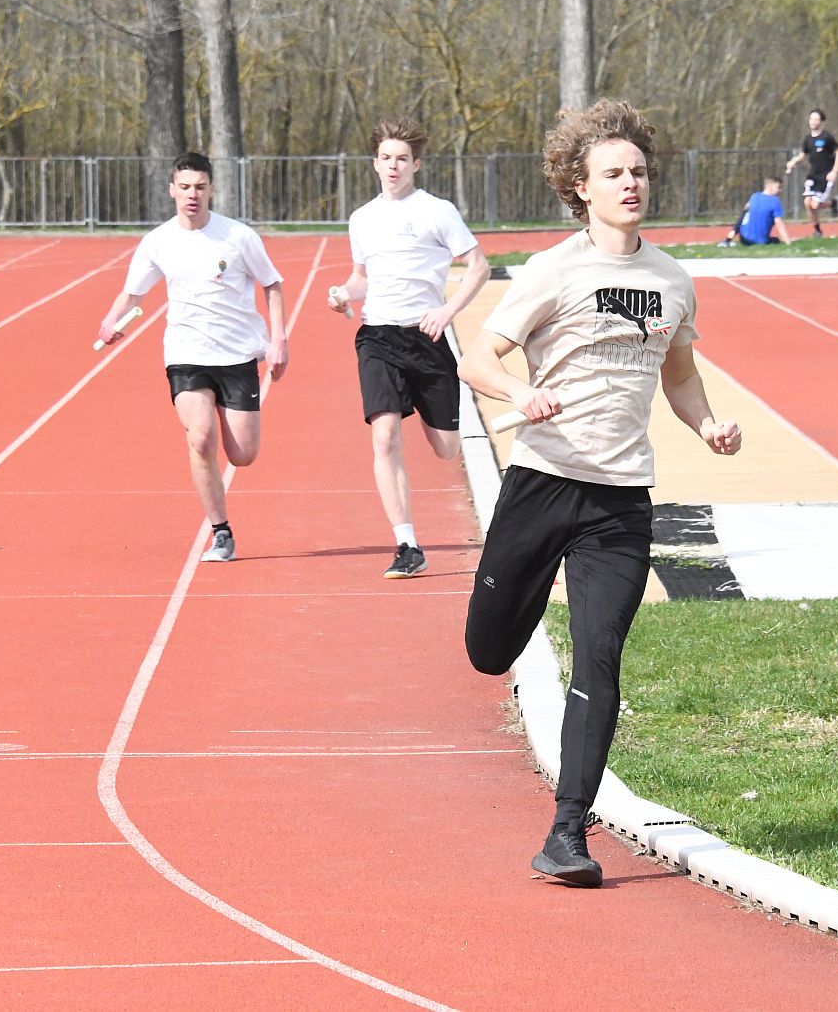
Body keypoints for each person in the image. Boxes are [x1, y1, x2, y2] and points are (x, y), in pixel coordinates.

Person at [459, 100, 741, 886]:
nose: (631, 183)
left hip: (619, 499)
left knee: (602, 657)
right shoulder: (555, 270)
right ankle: (504, 626)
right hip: (542, 483)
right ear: (579, 188)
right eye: (613, 173)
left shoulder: (671, 279)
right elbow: (477, 359)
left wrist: (709, 425)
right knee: (488, 651)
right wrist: (522, 396)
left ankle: (566, 833)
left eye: (640, 171)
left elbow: (679, 375)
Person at [97, 151, 287, 563]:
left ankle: (224, 501)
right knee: (200, 435)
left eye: (200, 186)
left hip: (237, 354)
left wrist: (278, 339)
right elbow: (134, 292)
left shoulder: (237, 237)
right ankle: (221, 532)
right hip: (186, 353)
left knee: (242, 455)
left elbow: (272, 284)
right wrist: (111, 320)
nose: (192, 195)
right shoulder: (158, 241)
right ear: (171, 190)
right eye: (184, 187)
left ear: (211, 189)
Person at [329, 119, 491, 579]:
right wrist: (343, 293)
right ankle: (407, 544)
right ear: (375, 164)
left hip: (428, 337)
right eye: (386, 158)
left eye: (402, 158)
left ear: (415, 164)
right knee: (384, 435)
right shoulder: (362, 218)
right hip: (378, 337)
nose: (393, 166)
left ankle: (430, 409)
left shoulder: (437, 211)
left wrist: (447, 311)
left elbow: (478, 267)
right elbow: (362, 277)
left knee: (445, 450)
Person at [783, 109, 838, 235]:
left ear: (821, 122)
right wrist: (793, 162)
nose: (813, 122)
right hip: (813, 175)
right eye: (811, 119)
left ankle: (832, 203)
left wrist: (834, 171)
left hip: (825, 175)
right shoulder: (808, 139)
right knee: (807, 203)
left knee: (815, 205)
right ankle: (817, 230)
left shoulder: (827, 137)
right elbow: (802, 155)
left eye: (816, 119)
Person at [719, 176, 792, 247]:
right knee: (776, 240)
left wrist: (730, 236)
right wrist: (788, 242)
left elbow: (743, 215)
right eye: (779, 187)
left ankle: (729, 240)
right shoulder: (775, 201)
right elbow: (779, 224)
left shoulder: (754, 196)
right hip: (759, 241)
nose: (780, 191)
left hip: (743, 239)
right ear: (770, 186)